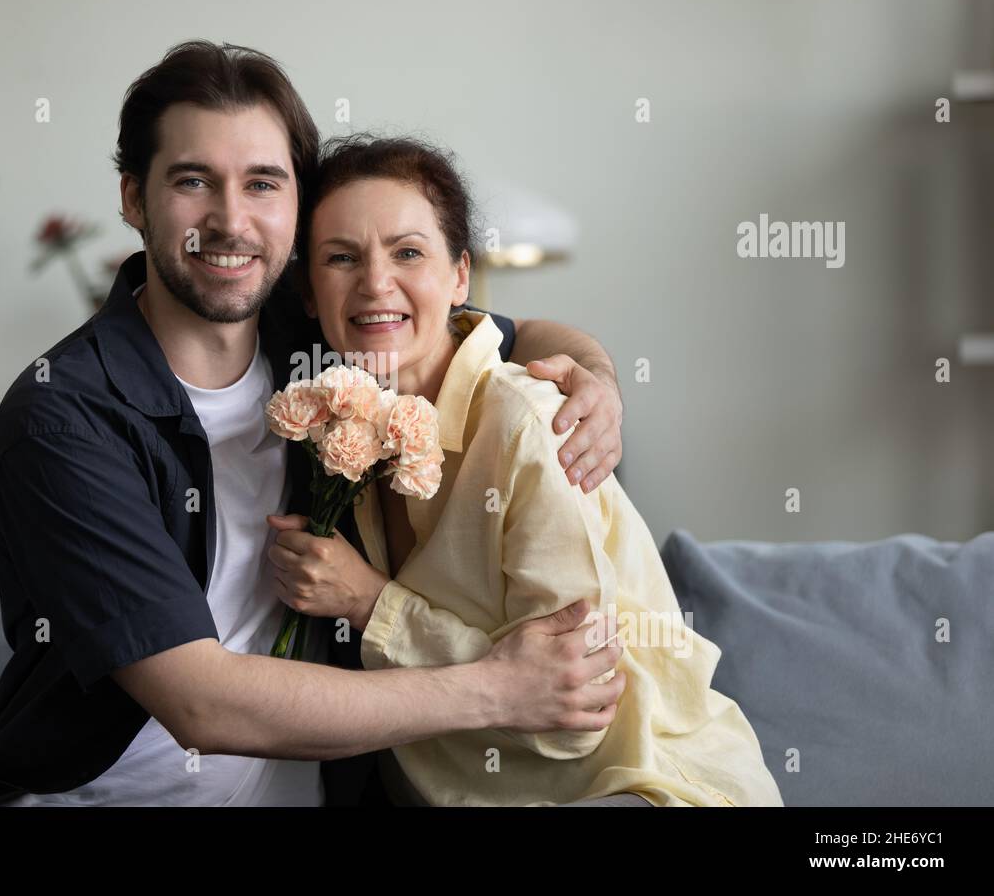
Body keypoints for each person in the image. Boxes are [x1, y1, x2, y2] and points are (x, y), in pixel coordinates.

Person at [0, 40, 631, 806]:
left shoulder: (321, 335)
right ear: (133, 198)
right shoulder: (63, 420)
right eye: (193, 181)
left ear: (296, 205)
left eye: (263, 184)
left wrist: (596, 379)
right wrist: (498, 690)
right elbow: (203, 702)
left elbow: (503, 332)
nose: (231, 221)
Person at [267, 134, 784, 806]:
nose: (374, 283)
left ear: (460, 276)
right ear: (308, 292)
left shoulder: (526, 423)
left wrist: (370, 604)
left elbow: (574, 713)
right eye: (342, 258)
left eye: (408, 252)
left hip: (630, 786)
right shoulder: (338, 415)